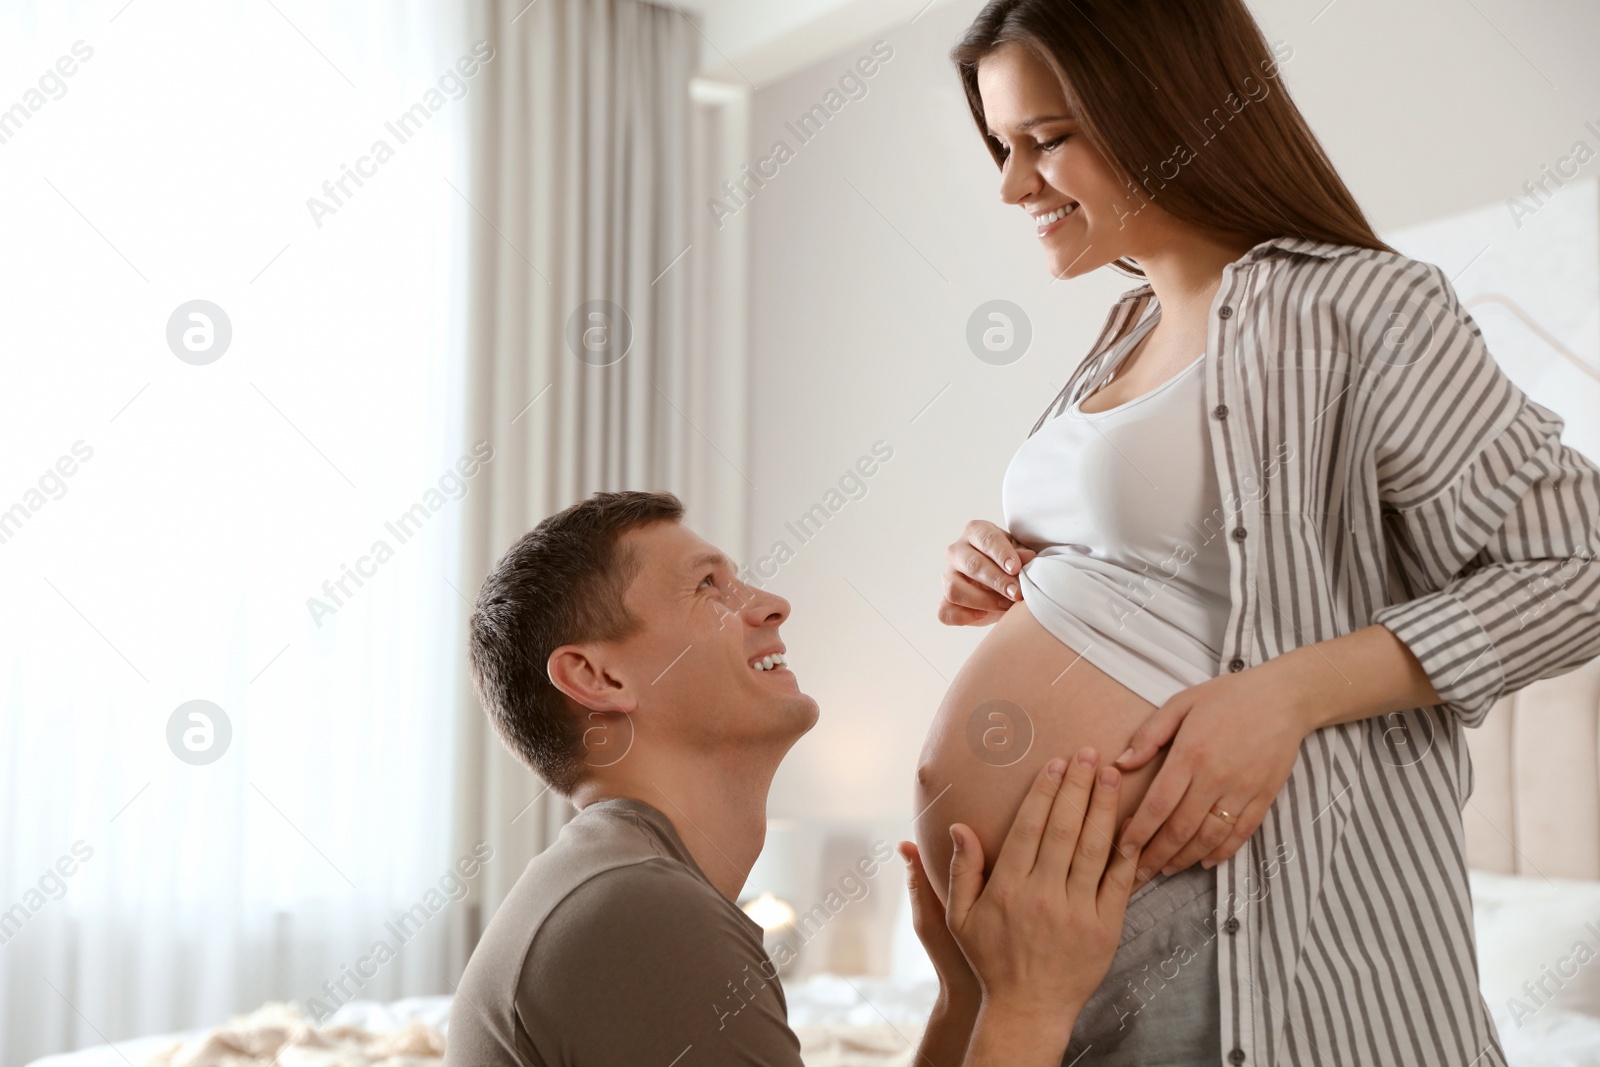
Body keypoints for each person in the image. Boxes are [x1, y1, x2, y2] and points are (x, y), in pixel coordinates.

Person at [913, 1, 1600, 1064]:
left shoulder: (1357, 308)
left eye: (1047, 141)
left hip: (1234, 932)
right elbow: (1181, 573)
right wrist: (1011, 566)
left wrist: (1283, 695)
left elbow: (1578, 565)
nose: (1014, 186)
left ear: (1166, 106)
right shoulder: (1117, 334)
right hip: (1049, 958)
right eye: (1004, 147)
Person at [444, 490, 1140, 1066]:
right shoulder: (639, 914)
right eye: (709, 584)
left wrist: (965, 998)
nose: (772, 602)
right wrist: (1031, 1005)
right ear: (597, 676)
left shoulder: (623, 886)